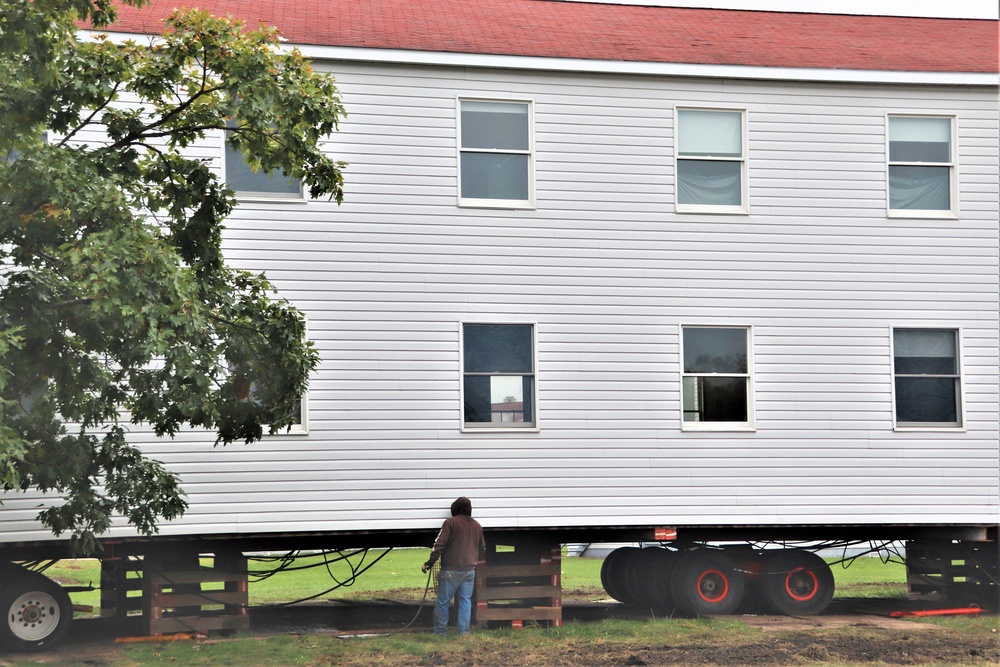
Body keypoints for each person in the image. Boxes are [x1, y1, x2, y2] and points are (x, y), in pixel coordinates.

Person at [422, 496, 486, 636]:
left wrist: (429, 563)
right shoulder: (477, 526)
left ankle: (440, 632)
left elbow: (439, 545)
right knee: (465, 601)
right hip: (469, 571)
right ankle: (463, 633)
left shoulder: (450, 523)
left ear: (455, 509)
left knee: (443, 602)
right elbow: (483, 549)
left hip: (451, 569)